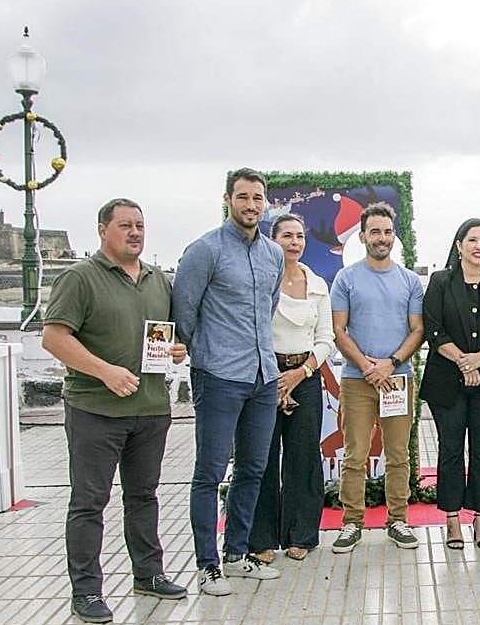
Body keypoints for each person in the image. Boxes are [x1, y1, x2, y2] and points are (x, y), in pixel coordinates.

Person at [43, 198, 189, 623]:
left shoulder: (158, 281)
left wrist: (176, 352)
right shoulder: (79, 278)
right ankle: (86, 591)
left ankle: (148, 573)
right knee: (90, 501)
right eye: (125, 225)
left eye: (140, 225)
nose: (135, 232)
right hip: (95, 409)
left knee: (143, 497)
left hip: (150, 408)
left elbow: (166, 339)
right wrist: (105, 371)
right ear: (103, 229)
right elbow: (53, 338)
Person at [173, 167, 284, 595]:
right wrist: (204, 354)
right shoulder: (205, 250)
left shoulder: (273, 254)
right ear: (227, 199)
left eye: (258, 198)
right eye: (243, 197)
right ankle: (207, 564)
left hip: (263, 375)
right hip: (219, 375)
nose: (251, 205)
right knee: (210, 472)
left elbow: (268, 307)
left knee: (254, 468)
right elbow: (185, 311)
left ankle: (236, 554)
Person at [328, 202, 424, 552]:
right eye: (375, 232)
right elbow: (338, 329)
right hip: (357, 380)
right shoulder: (346, 278)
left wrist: (391, 363)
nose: (381, 238)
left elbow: (418, 330)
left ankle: (397, 520)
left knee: (399, 454)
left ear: (393, 235)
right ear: (363, 235)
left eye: (387, 232)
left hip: (398, 379)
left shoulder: (410, 281)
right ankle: (352, 523)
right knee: (355, 454)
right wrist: (368, 367)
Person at [420, 218, 480, 549]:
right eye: (472, 240)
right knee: (449, 450)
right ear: (459, 245)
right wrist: (464, 360)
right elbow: (433, 329)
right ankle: (451, 521)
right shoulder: (440, 281)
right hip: (447, 380)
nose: (479, 246)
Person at [248, 214, 334, 563]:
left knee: (303, 458)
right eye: (287, 235)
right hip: (265, 377)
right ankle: (262, 539)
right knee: (263, 458)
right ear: (272, 239)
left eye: (299, 236)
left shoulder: (317, 285)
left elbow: (326, 339)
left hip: (306, 377)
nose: (294, 242)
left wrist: (301, 372)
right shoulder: (261, 281)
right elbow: (252, 331)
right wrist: (275, 379)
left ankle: (303, 535)